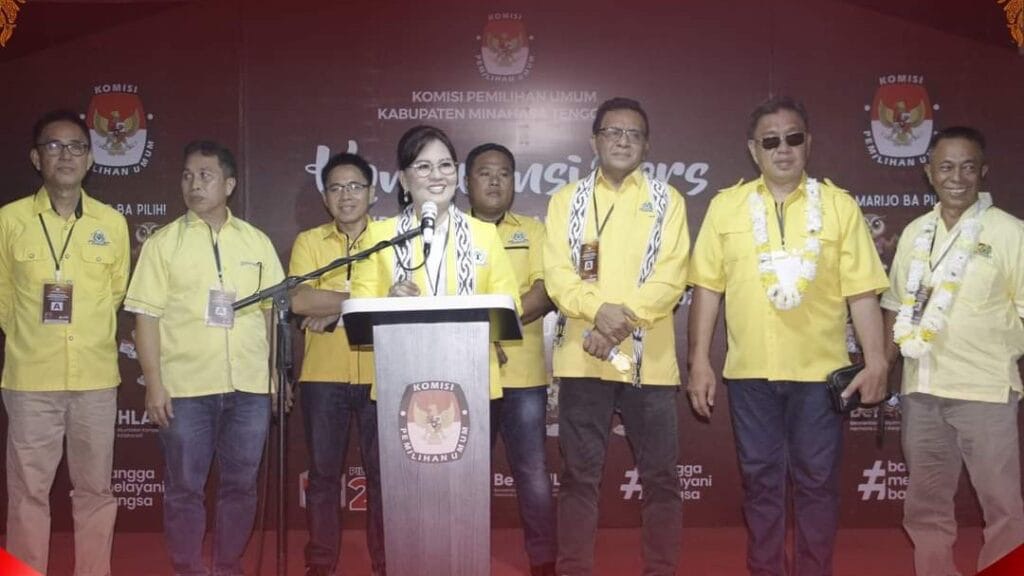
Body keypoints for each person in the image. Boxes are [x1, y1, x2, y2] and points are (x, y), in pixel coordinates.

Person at [687, 96, 890, 576]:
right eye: (771, 141)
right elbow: (707, 290)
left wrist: (877, 360)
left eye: (793, 138)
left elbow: (862, 292)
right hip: (750, 375)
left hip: (820, 377)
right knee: (761, 484)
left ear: (808, 144)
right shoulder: (726, 207)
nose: (783, 149)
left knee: (818, 484)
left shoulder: (839, 207)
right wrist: (698, 361)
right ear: (753, 150)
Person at [543, 97, 689, 576]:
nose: (623, 141)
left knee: (661, 479)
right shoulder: (566, 201)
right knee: (578, 478)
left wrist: (615, 326)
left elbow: (671, 278)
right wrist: (597, 313)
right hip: (583, 360)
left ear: (646, 145)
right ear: (594, 141)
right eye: (613, 132)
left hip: (649, 365)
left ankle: (661, 570)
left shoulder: (668, 201)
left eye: (633, 134)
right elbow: (558, 277)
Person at [125, 140, 285, 576]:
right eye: (187, 175)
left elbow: (272, 314)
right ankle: (189, 569)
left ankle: (227, 566)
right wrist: (154, 384)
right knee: (184, 489)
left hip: (249, 389)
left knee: (241, 486)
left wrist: (274, 376)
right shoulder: (163, 244)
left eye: (205, 176)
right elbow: (146, 317)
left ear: (229, 185)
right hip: (186, 390)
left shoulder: (256, 241)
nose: (193, 184)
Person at [881, 126, 1024, 575]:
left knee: (1003, 508)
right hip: (922, 391)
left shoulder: (1010, 233)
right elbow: (895, 304)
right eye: (945, 167)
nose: (956, 178)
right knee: (926, 509)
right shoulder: (914, 233)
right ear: (929, 173)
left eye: (967, 167)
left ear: (983, 171)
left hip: (986, 392)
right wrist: (881, 367)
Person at [0, 109, 129, 576]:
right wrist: (34, 339)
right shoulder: (9, 220)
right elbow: (4, 299)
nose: (66, 155)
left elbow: (115, 294)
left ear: (90, 159)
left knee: (96, 491)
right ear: (37, 158)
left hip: (94, 379)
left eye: (76, 146)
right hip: (31, 379)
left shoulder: (111, 223)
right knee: (27, 493)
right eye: (54, 146)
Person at [350, 125, 521, 401]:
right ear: (404, 180)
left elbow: (511, 305)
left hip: (470, 376)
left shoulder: (484, 234)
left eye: (445, 165)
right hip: (401, 376)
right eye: (423, 167)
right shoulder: (380, 236)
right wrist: (389, 303)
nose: (437, 175)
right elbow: (359, 312)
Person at [289, 152, 385, 576]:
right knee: (324, 476)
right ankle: (321, 563)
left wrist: (334, 311)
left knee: (383, 477)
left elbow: (399, 300)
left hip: (382, 374)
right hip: (322, 377)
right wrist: (360, 301)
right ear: (325, 197)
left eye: (355, 186)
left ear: (372, 192)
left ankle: (386, 562)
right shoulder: (309, 242)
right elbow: (300, 300)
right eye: (336, 188)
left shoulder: (390, 241)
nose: (346, 195)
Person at [465, 142, 557, 576]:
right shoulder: (452, 233)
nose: (494, 181)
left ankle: (544, 560)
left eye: (503, 173)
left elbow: (543, 292)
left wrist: (493, 326)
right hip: (466, 373)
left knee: (532, 472)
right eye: (485, 173)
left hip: (523, 377)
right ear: (467, 182)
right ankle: (464, 555)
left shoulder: (533, 231)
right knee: (466, 474)